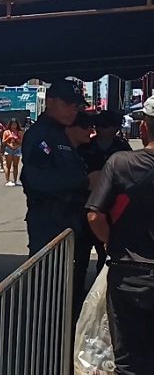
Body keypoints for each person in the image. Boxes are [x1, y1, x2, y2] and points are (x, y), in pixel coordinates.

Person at [86, 94, 154, 375]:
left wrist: (111, 242)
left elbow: (95, 214)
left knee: (129, 359)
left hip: (128, 273)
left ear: (143, 126)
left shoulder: (121, 163)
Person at [21, 80, 89, 256]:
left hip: (67, 218)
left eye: (76, 106)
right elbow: (37, 180)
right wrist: (85, 181)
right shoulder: (40, 135)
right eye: (67, 104)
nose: (73, 111)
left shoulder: (60, 133)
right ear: (50, 102)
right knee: (47, 278)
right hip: (48, 220)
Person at [77, 110, 132, 273]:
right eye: (99, 125)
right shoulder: (85, 146)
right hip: (85, 204)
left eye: (107, 125)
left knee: (107, 256)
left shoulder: (122, 147)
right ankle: (77, 294)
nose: (102, 129)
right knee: (80, 257)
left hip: (112, 207)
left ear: (115, 127)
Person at [64, 111, 99, 321]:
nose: (91, 131)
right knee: (75, 263)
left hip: (91, 213)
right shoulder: (65, 151)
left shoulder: (86, 150)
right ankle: (72, 302)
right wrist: (85, 181)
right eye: (85, 127)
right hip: (69, 216)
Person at [2, 119, 24, 186]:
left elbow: (22, 142)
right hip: (9, 149)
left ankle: (15, 180)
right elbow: (3, 142)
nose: (13, 126)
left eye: (15, 124)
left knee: (15, 165)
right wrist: (9, 138)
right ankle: (7, 180)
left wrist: (16, 139)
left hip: (17, 149)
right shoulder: (6, 132)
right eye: (12, 124)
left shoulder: (19, 132)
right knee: (8, 166)